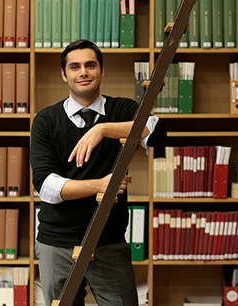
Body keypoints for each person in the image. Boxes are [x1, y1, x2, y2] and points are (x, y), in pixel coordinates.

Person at [30, 39, 164, 306]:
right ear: (64, 74)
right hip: (57, 243)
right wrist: (102, 185)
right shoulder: (45, 120)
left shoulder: (122, 110)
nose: (83, 72)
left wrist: (102, 130)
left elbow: (157, 133)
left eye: (90, 65)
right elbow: (46, 185)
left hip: (108, 240)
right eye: (75, 67)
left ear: (102, 71)